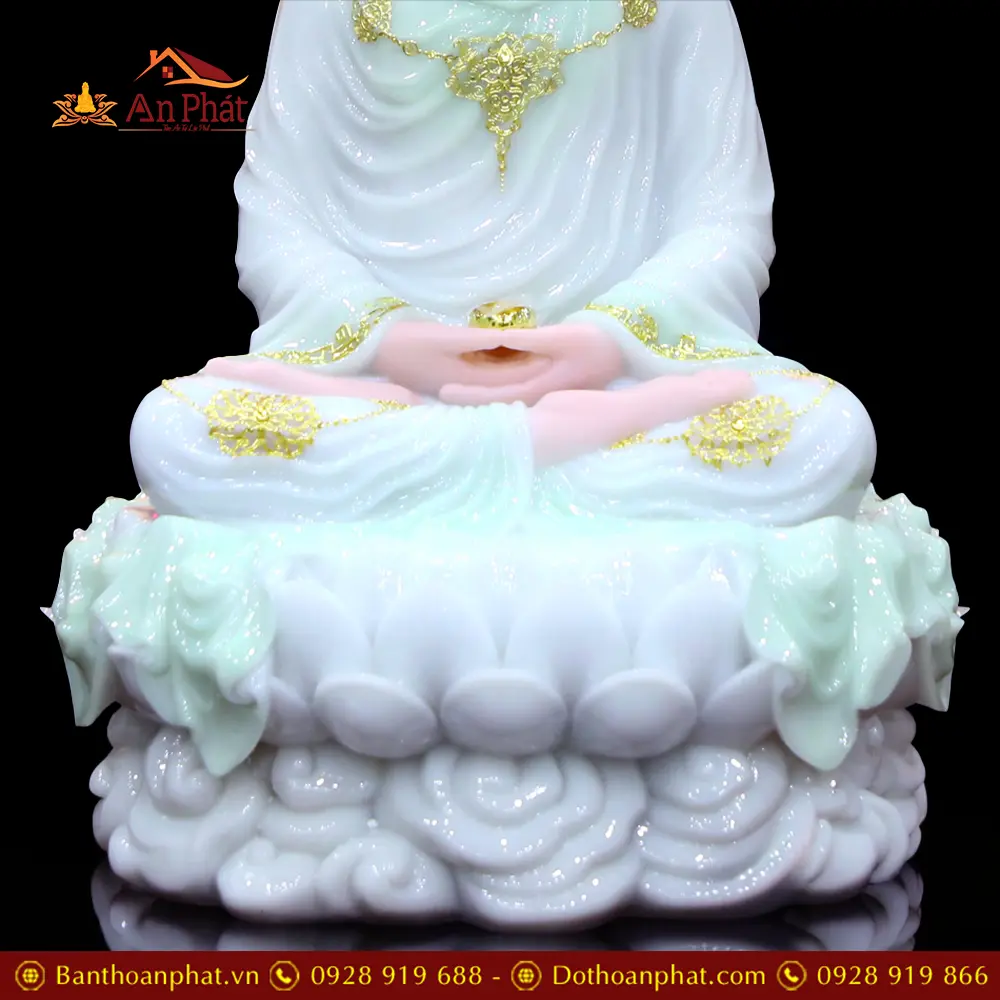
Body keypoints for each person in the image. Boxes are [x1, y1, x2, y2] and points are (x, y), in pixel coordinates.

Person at [131, 0, 875, 527]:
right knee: (176, 429)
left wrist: (605, 340)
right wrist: (391, 340)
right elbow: (279, 218)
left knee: (825, 432)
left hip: (610, 376)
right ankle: (553, 445)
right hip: (389, 390)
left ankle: (519, 448)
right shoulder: (331, 6)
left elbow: (725, 222)